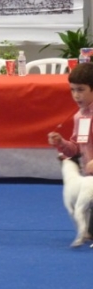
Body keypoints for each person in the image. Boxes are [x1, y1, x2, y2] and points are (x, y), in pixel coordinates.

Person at [48, 63, 93, 236]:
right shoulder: (79, 116)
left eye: (80, 90)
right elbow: (74, 149)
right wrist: (61, 143)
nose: (75, 95)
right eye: (72, 90)